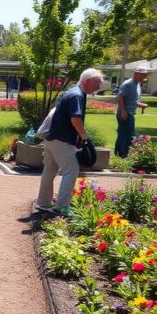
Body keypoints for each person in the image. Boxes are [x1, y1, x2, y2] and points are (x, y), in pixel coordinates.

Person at [36, 68, 105, 215]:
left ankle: (43, 203)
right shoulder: (77, 95)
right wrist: (85, 137)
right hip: (62, 140)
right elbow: (75, 118)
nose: (99, 87)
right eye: (97, 83)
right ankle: (62, 206)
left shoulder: (72, 92)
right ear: (87, 81)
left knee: (49, 170)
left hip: (51, 138)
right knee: (71, 171)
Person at [115, 66, 148, 158]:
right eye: (142, 75)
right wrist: (123, 111)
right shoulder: (128, 84)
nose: (144, 77)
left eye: (144, 75)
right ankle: (123, 155)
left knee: (124, 134)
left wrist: (141, 105)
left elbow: (132, 100)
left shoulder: (137, 84)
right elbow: (119, 97)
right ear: (136, 73)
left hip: (129, 112)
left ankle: (120, 155)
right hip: (126, 113)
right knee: (128, 135)